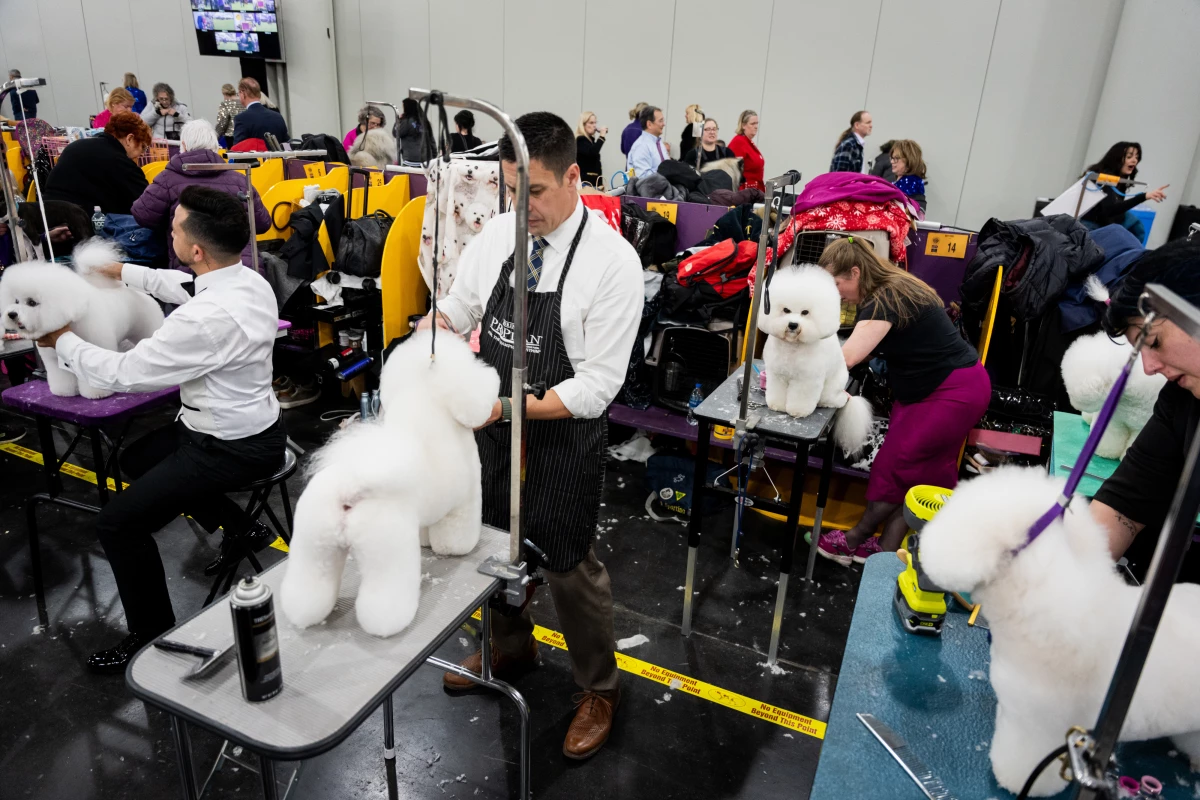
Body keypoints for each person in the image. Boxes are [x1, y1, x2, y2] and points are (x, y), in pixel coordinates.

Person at [424, 111, 643, 759]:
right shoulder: (499, 234)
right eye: (513, 191)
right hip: (493, 428)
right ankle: (512, 649)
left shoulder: (613, 263)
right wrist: (432, 331)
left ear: (575, 177)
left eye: (537, 192)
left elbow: (596, 387)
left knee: (568, 565)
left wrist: (504, 407)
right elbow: (462, 306)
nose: (523, 209)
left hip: (561, 436)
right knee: (492, 546)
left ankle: (598, 687)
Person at [34, 186, 286, 674]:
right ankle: (242, 528)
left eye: (173, 229)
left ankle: (149, 635)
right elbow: (182, 285)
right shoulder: (247, 280)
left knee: (117, 524)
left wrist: (62, 341)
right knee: (136, 459)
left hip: (228, 447)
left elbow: (124, 372)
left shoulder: (201, 321)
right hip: (254, 427)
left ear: (197, 249)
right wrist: (122, 272)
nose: (168, 235)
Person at [813, 237, 990, 563]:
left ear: (855, 272)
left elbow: (846, 358)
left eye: (836, 283)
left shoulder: (883, 300)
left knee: (897, 467)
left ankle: (853, 540)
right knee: (917, 473)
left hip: (950, 393)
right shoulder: (893, 286)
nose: (835, 293)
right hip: (942, 388)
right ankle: (884, 550)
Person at [1089, 238, 1200, 583]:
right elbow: (1127, 500)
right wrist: (1070, 572)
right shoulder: (1181, 400)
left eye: (1154, 342)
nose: (1149, 367)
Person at [131, 119, 270, 272]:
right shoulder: (240, 180)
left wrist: (172, 224)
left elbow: (142, 214)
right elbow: (263, 223)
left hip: (192, 271)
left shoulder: (167, 179)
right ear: (215, 147)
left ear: (183, 145)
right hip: (244, 270)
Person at [42, 111, 150, 215]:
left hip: (46, 212)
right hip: (77, 218)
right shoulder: (118, 160)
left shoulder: (76, 145)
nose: (142, 154)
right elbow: (147, 201)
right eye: (143, 147)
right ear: (129, 139)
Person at [1081, 142, 1169, 232]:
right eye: (1129, 157)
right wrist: (1144, 196)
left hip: (1102, 222)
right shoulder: (1104, 177)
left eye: (1137, 157)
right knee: (1134, 226)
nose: (1134, 160)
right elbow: (1111, 209)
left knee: (1135, 225)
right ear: (1116, 158)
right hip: (1090, 225)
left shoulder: (1120, 178)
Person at [232, 77, 288, 145]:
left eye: (238, 93)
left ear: (243, 93)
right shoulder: (278, 116)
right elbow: (287, 144)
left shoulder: (241, 118)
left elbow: (238, 148)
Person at [727, 110, 764, 191]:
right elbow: (732, 172)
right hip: (745, 192)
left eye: (757, 123)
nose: (756, 126)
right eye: (752, 124)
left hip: (755, 190)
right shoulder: (738, 142)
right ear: (743, 125)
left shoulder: (748, 142)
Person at [626, 105, 667, 177]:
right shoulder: (641, 146)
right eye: (660, 121)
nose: (664, 124)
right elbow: (643, 177)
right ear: (649, 124)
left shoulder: (659, 143)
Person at [889, 139, 927, 213]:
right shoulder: (900, 180)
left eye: (896, 158)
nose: (892, 161)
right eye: (892, 158)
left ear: (909, 160)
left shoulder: (913, 182)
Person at [575, 110, 607, 187]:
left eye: (595, 123)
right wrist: (601, 137)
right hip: (586, 183)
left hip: (594, 184)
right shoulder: (580, 140)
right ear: (583, 125)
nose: (594, 126)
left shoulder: (590, 141)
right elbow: (592, 152)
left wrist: (600, 184)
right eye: (591, 123)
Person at [397, 97, 423, 163]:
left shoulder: (406, 121)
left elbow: (396, 133)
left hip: (411, 158)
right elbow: (432, 141)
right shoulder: (424, 122)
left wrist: (398, 121)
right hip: (425, 158)